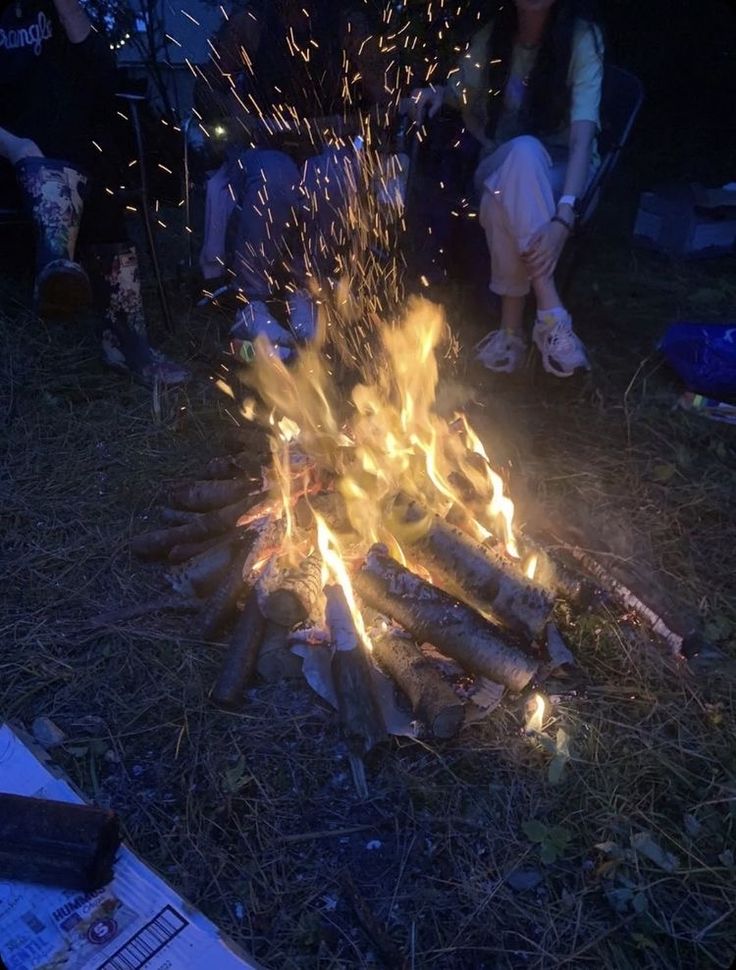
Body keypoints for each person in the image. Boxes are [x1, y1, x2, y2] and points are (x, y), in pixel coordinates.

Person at [193, 0, 399, 361]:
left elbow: (384, 104)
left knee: (334, 173)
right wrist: (241, 119)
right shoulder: (251, 23)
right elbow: (207, 88)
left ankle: (306, 286)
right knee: (276, 175)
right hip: (263, 147)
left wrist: (333, 126)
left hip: (327, 142)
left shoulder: (346, 25)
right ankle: (251, 301)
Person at [410, 0, 604, 378]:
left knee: (505, 198)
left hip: (564, 174)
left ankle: (510, 333)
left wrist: (564, 217)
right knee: (522, 155)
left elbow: (583, 139)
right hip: (501, 159)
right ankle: (551, 315)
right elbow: (457, 90)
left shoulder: (581, 40)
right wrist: (432, 92)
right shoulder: (493, 37)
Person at [0, 0, 189, 386]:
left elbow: (104, 76)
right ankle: (56, 265)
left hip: (76, 158)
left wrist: (68, 8)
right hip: (9, 155)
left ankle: (123, 339)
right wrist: (16, 149)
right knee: (58, 168)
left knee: (101, 180)